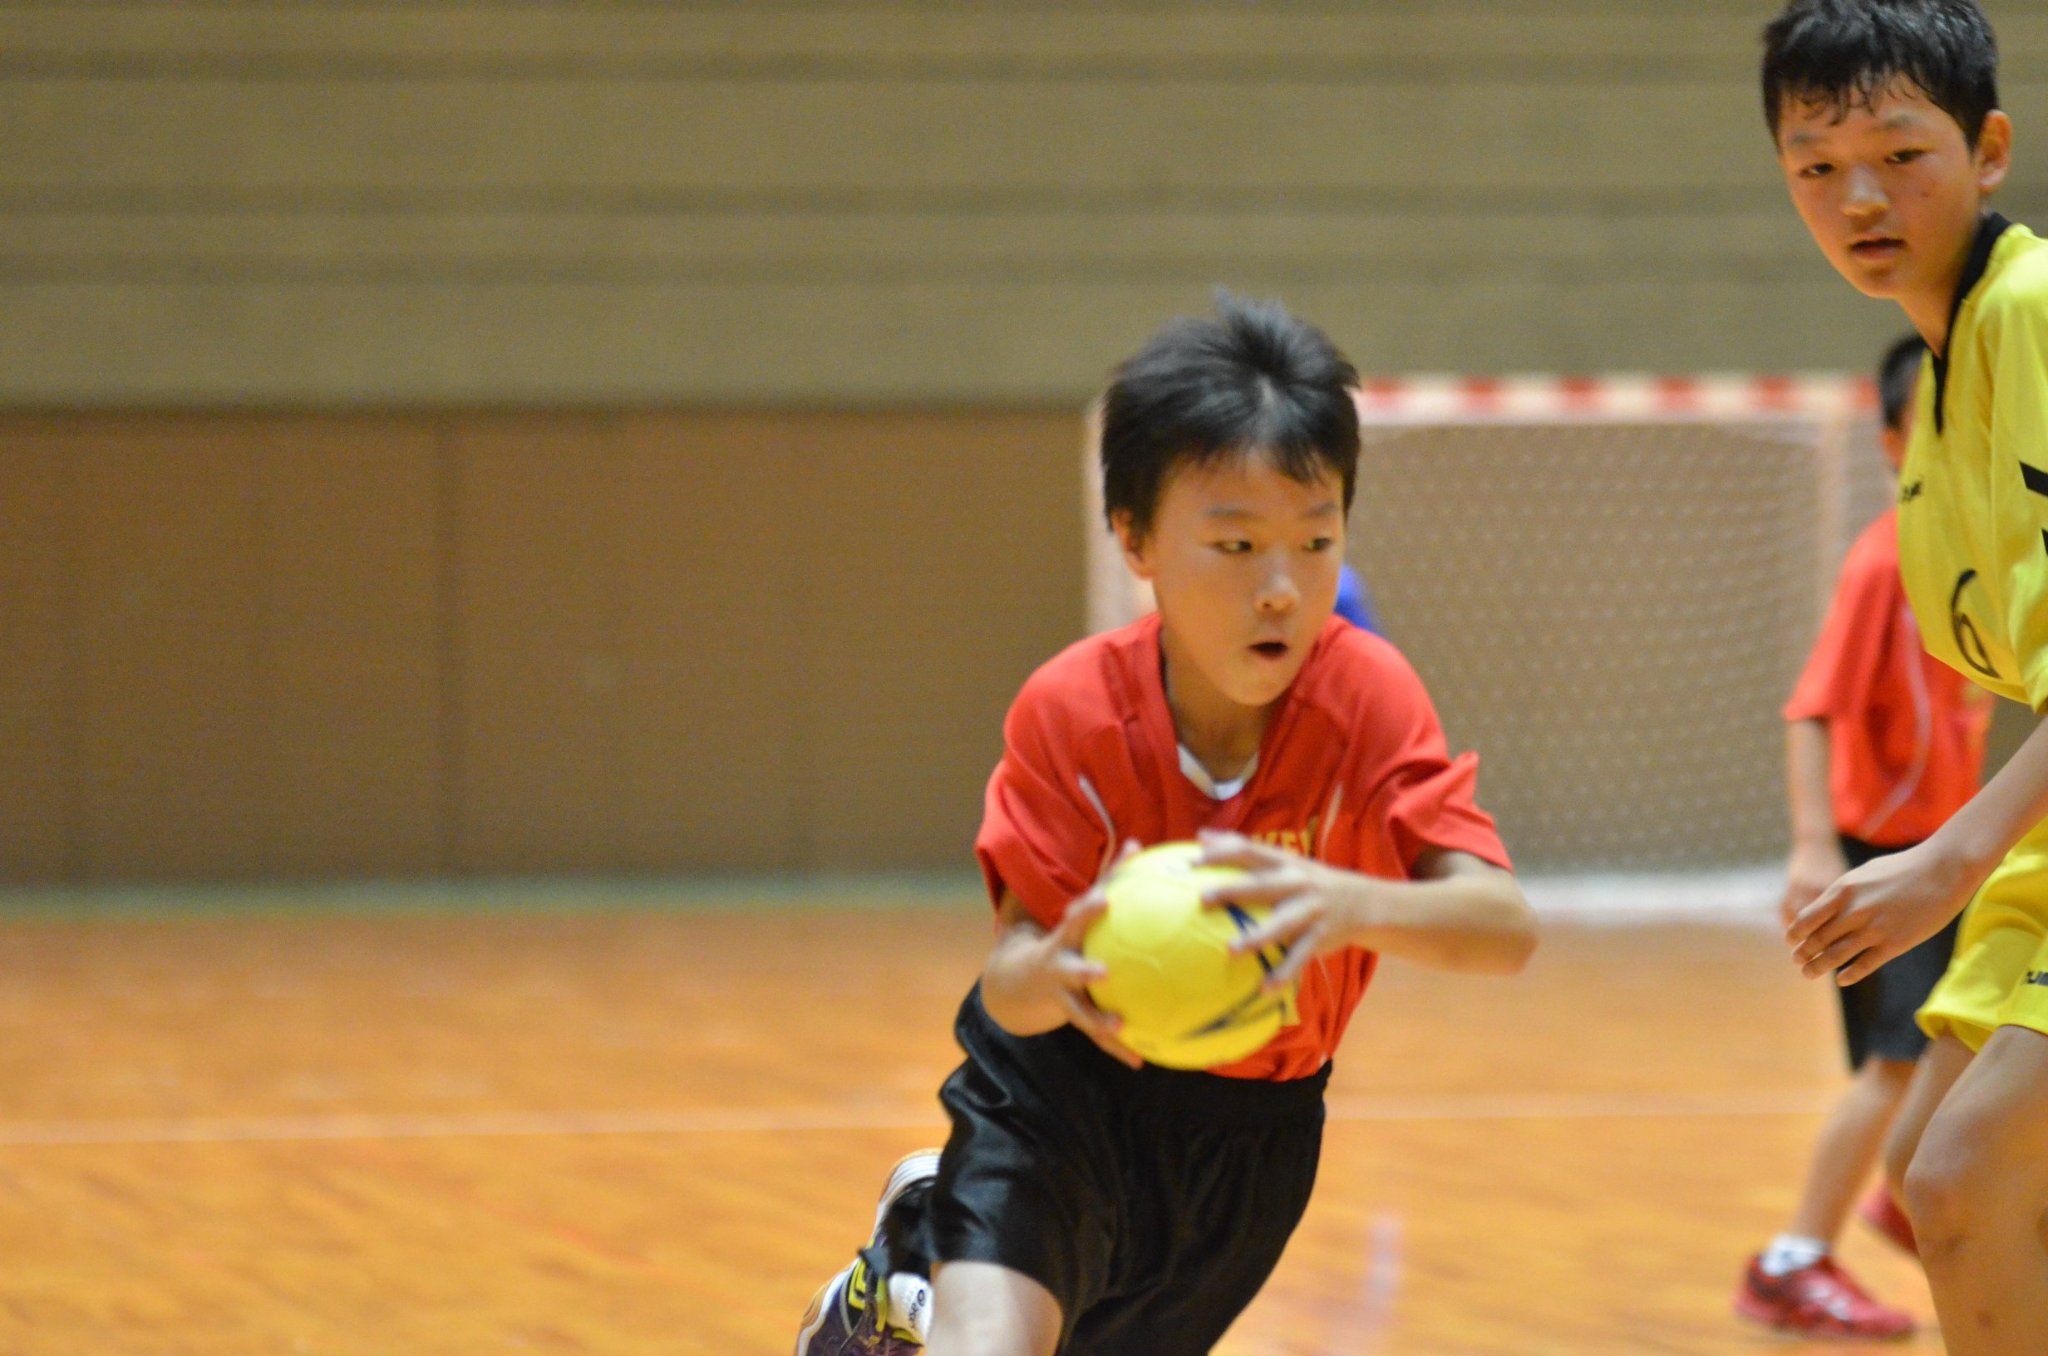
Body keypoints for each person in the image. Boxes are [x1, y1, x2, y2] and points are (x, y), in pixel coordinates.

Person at [794, 294, 1538, 1356]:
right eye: (1236, 544)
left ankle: (908, 1270)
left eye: (1315, 541)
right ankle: (945, 1270)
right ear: (1135, 538)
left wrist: (1349, 903)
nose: (1280, 589)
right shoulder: (1071, 711)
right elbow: (1007, 985)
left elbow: (1502, 928)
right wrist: (1054, 974)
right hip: (1056, 1093)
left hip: (1252, 1140)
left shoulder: (1368, 699)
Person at [1766, 3, 2048, 1350]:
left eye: (1898, 154)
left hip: (2003, 846)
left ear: (1988, 150)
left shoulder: (2031, 313)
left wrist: (1949, 856)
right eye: (1816, 166)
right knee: (1926, 1165)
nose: (1859, 199)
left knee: (1959, 1174)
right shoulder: (1931, 395)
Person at [1736, 334, 1991, 1339]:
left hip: (1944, 859)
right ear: (1891, 443)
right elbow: (1811, 708)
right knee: (1895, 1063)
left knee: (1960, 1039)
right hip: (1882, 861)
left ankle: (1906, 1191)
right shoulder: (1885, 561)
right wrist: (1811, 849)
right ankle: (1791, 1260)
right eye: (1935, 419)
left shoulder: (1981, 557)